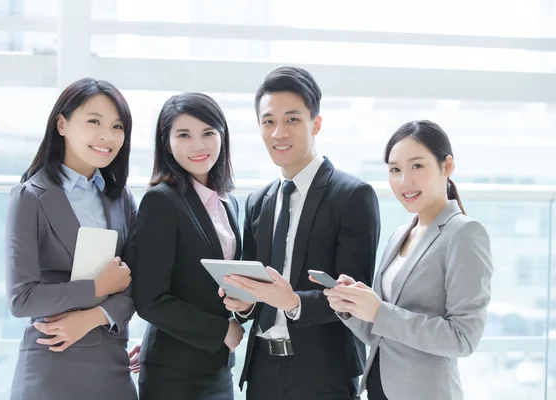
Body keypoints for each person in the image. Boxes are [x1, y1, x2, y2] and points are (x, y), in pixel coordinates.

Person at [221, 66, 381, 400]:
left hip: (323, 376)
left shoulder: (352, 195)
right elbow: (256, 286)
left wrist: (294, 303)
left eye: (292, 119)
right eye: (269, 122)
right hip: (262, 371)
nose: (279, 132)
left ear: (316, 123)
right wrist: (244, 303)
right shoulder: (257, 202)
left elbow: (353, 295)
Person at [321, 120, 493, 400]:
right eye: (395, 170)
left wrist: (380, 312)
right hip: (380, 390)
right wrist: (352, 308)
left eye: (417, 166)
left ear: (446, 166)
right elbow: (385, 334)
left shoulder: (464, 233)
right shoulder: (400, 234)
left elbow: (464, 338)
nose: (405, 181)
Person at [5, 78, 137, 400]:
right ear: (62, 124)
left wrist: (93, 317)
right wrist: (97, 288)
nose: (107, 136)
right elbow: (21, 299)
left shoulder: (121, 199)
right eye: (94, 121)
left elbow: (138, 283)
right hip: (52, 364)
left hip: (113, 367)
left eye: (117, 126)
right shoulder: (30, 197)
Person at [131, 92, 244, 400]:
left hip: (217, 368)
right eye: (184, 135)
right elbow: (150, 299)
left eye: (209, 133)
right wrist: (220, 331)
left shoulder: (227, 202)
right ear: (166, 142)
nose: (199, 145)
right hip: (175, 374)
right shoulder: (161, 201)